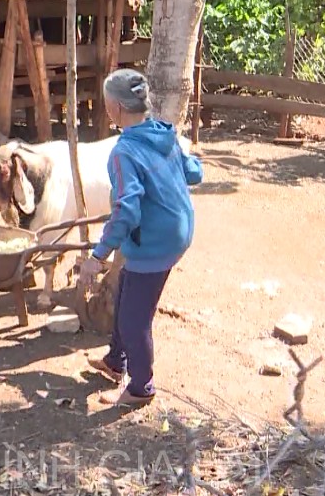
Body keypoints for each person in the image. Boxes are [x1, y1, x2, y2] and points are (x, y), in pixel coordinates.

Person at [80, 68, 204, 406]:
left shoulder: (123, 153)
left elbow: (126, 212)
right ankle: (115, 361)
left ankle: (141, 387)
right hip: (178, 229)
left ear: (117, 109)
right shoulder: (164, 134)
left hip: (155, 243)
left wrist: (97, 256)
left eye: (106, 103)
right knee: (124, 295)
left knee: (134, 320)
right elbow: (195, 172)